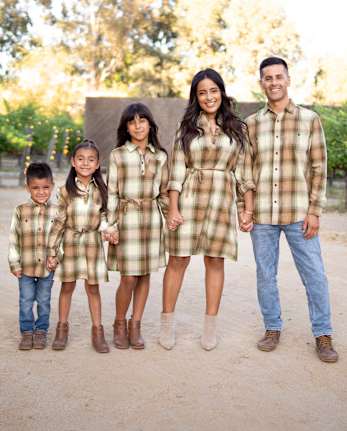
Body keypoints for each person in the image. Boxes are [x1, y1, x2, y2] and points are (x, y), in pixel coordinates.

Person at [245, 56, 338, 363]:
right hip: (263, 215)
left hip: (299, 212)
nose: (274, 82)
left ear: (288, 79)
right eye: (267, 78)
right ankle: (272, 328)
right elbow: (245, 171)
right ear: (262, 84)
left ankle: (323, 334)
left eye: (278, 77)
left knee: (314, 275)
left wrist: (315, 210)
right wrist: (244, 208)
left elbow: (318, 167)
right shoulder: (252, 124)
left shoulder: (309, 120)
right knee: (265, 275)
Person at [159, 68, 255, 351]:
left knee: (215, 261)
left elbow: (244, 171)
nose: (208, 97)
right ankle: (167, 324)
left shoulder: (238, 128)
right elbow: (176, 169)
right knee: (178, 260)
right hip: (189, 198)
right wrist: (173, 209)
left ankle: (210, 326)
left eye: (213, 91)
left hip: (221, 199)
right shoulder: (186, 127)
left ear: (221, 93)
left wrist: (246, 209)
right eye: (202, 92)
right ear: (196, 97)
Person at [106, 103, 168, 349]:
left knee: (144, 275)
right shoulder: (118, 155)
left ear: (150, 124)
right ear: (126, 127)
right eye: (132, 122)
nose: (138, 125)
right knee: (129, 276)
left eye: (143, 120)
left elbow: (163, 193)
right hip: (126, 217)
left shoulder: (160, 155)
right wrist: (110, 224)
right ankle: (119, 323)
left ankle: (136, 325)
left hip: (151, 219)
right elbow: (111, 192)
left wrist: (172, 217)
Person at [47, 140, 109, 353]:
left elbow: (105, 216)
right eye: (80, 159)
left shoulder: (102, 189)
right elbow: (58, 221)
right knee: (67, 286)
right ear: (73, 162)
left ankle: (97, 331)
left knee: (93, 287)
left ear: (98, 163)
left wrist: (109, 229)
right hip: (71, 243)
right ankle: (62, 329)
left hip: (92, 243)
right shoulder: (65, 190)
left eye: (91, 159)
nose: (85, 163)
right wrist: (52, 250)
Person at [8, 162, 57, 350]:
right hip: (26, 266)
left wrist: (56, 257)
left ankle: (41, 331)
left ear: (51, 186)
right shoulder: (20, 210)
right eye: (35, 188)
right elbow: (14, 237)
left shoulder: (57, 211)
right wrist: (15, 263)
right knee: (26, 300)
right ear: (28, 187)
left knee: (44, 300)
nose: (41, 192)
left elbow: (60, 238)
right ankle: (27, 332)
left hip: (47, 266)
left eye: (45, 187)